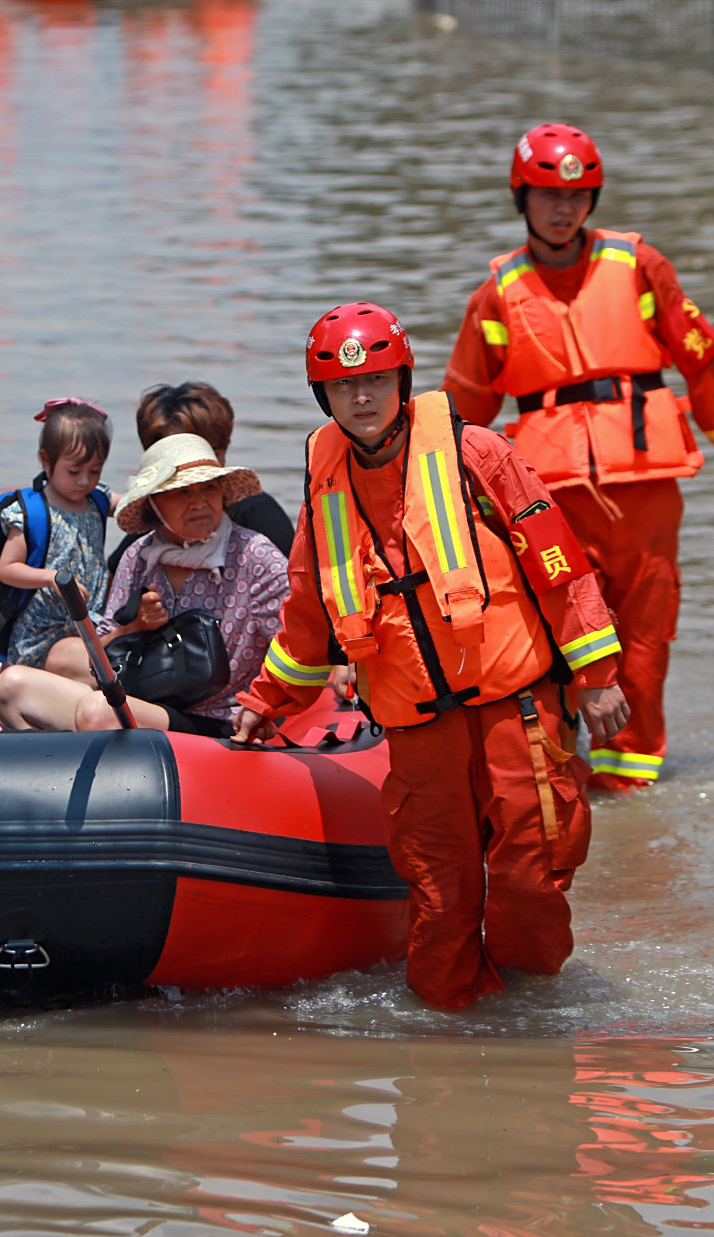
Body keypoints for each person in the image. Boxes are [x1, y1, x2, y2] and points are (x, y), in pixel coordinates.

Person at [234, 303, 629, 1011]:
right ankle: (446, 1046)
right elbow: (306, 611)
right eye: (345, 387)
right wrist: (267, 700)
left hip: (516, 708)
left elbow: (557, 560)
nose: (362, 397)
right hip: (419, 731)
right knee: (439, 896)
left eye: (377, 381)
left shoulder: (478, 454)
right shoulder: (325, 484)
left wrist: (598, 676)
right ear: (323, 396)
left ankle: (534, 1030)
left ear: (403, 379)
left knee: (529, 876)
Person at [443, 123, 714, 791]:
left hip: (645, 501)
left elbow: (702, 366)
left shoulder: (641, 266)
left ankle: (632, 805)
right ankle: (565, 787)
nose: (564, 209)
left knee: (645, 651)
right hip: (547, 507)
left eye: (578, 195)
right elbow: (462, 412)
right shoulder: (498, 292)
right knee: (555, 652)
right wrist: (446, 511)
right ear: (521, 198)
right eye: (548, 196)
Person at [0, 433, 289, 737]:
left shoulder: (254, 555)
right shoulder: (139, 555)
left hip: (220, 719)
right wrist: (132, 628)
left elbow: (296, 641)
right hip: (143, 699)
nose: (199, 502)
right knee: (10, 686)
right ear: (153, 503)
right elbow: (107, 649)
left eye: (209, 488)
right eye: (182, 492)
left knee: (98, 712)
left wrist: (263, 704)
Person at [0, 398, 113, 668]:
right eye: (74, 471)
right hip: (42, 630)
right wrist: (51, 579)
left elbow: (137, 505)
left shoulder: (98, 500)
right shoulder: (33, 514)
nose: (84, 481)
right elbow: (8, 569)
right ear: (46, 460)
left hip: (90, 620)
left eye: (95, 471)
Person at [107, 381, 295, 573]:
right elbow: (112, 583)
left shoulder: (257, 520)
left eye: (209, 450)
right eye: (181, 492)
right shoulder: (146, 543)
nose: (197, 503)